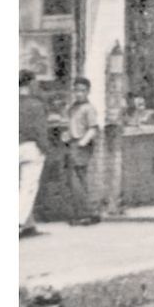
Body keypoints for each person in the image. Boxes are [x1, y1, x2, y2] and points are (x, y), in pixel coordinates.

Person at [63, 77, 101, 225]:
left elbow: (93, 128)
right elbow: (70, 126)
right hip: (72, 143)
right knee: (76, 180)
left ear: (88, 91)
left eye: (82, 90)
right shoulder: (73, 108)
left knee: (78, 179)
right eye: (76, 90)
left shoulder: (88, 108)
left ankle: (86, 213)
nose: (79, 93)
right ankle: (86, 211)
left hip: (81, 145)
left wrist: (82, 142)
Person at [20, 71, 50, 237]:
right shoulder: (36, 105)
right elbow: (40, 131)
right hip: (30, 148)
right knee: (28, 187)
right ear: (30, 84)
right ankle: (18, 223)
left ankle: (28, 224)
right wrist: (45, 149)